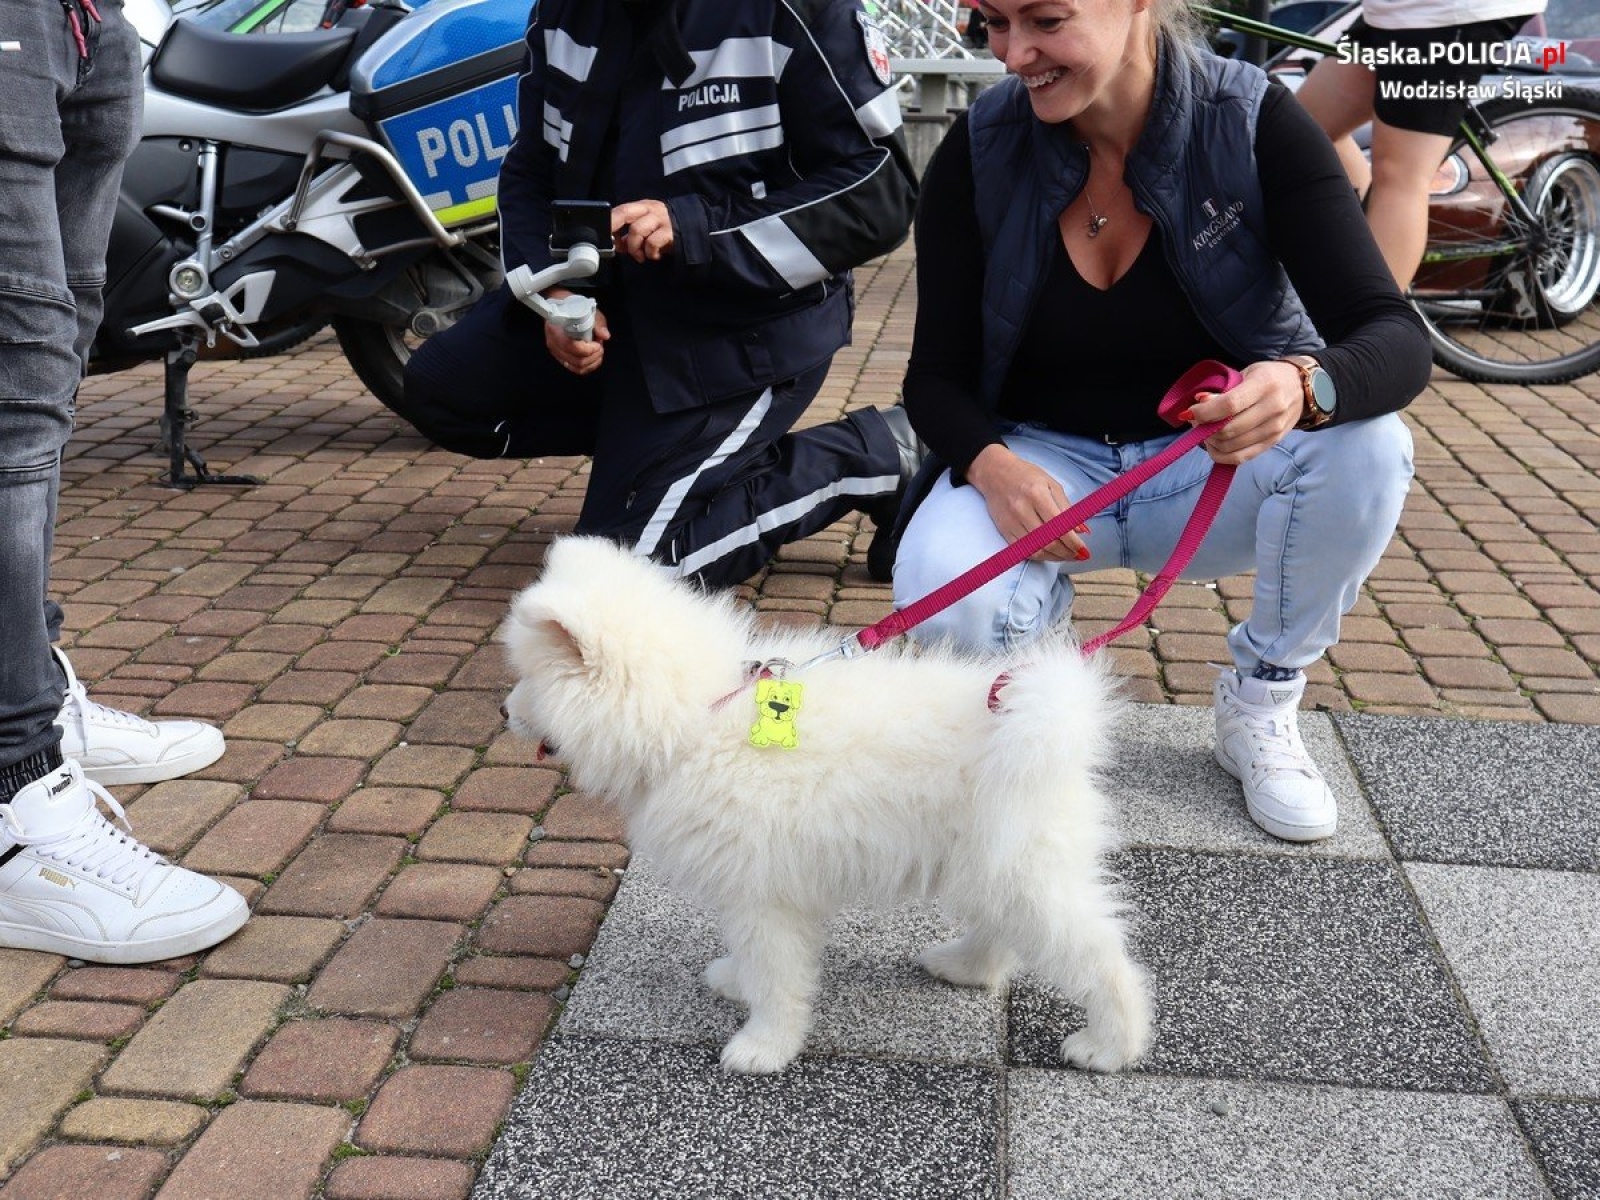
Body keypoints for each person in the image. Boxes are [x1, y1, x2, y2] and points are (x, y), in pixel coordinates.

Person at [890, 0, 1433, 842]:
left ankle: (1261, 698)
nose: (1014, 54)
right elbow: (934, 379)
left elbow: (1395, 340)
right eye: (994, 23)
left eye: (1045, 20)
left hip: (1210, 468)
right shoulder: (981, 144)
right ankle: (1035, 689)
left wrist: (1302, 384)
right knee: (936, 586)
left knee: (1370, 444)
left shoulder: (1249, 119)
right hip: (1043, 472)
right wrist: (991, 465)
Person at [396, 0, 921, 588]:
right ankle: (654, 462)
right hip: (611, 312)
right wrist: (552, 292)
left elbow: (881, 193)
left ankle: (872, 456)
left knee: (628, 584)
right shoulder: (564, 10)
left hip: (739, 338)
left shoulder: (798, 10)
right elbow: (531, 165)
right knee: (441, 390)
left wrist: (694, 229)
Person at [0, 0, 248, 962]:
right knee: (14, 387)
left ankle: (31, 688)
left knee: (52, 359)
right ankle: (14, 785)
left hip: (83, 20)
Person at [1295, 0, 1547, 288]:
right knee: (1301, 132)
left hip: (1443, 14)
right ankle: (1365, 244)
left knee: (1398, 176)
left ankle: (1373, 325)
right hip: (1390, 12)